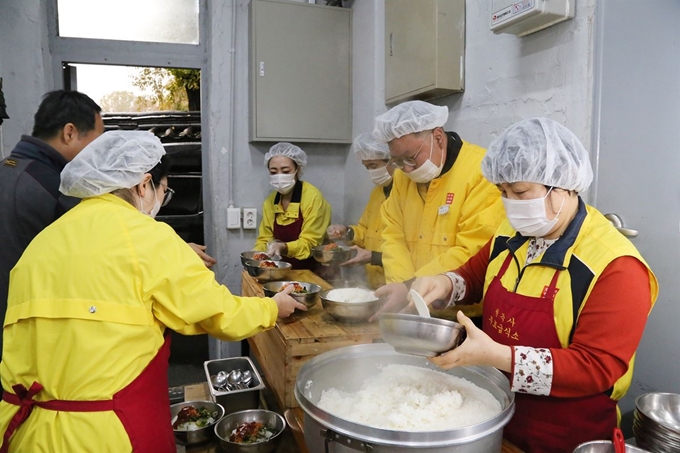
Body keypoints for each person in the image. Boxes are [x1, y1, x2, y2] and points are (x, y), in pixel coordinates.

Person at [0, 131, 305, 452]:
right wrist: (272, 307)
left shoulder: (42, 243)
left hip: (24, 432)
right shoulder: (147, 237)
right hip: (106, 434)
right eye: (164, 191)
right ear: (143, 184)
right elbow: (219, 314)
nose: (162, 198)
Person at [407, 118, 658, 453]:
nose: (511, 204)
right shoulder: (513, 232)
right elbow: (474, 275)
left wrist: (497, 356)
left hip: (564, 435)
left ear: (563, 185)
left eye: (521, 192)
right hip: (494, 411)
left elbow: (596, 367)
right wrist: (443, 283)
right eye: (503, 193)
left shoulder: (617, 267)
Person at [371, 100, 505, 322]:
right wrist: (404, 287)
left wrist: (413, 287)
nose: (406, 168)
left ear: (438, 138)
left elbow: (473, 249)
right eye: (397, 161)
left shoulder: (481, 173)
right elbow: (393, 234)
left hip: (462, 314)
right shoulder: (403, 178)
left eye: (410, 158)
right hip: (412, 305)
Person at [0, 90, 104, 360]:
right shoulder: (55, 187)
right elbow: (103, 250)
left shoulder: (9, 169)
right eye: (97, 141)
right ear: (69, 132)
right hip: (27, 335)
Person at [327, 133, 394, 289]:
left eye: (373, 166)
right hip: (374, 282)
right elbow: (366, 231)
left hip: (398, 283)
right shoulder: (377, 193)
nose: (370, 171)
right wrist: (347, 232)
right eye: (367, 167)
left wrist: (374, 257)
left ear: (392, 160)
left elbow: (411, 251)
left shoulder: (407, 195)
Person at [253, 142, 331, 269]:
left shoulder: (313, 197)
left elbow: (310, 244)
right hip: (281, 270)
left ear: (298, 169)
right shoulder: (271, 201)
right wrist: (257, 255)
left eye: (285, 171)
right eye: (273, 172)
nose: (279, 176)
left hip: (311, 270)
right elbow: (264, 239)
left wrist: (283, 247)